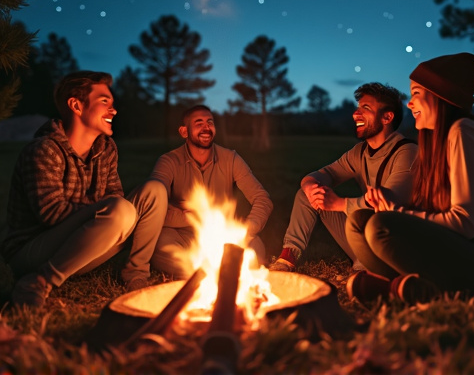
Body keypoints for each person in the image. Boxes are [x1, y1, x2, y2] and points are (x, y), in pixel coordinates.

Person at [344, 53, 474, 304]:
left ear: (440, 97)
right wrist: (391, 205)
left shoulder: (463, 132)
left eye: (416, 94)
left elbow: (466, 223)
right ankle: (409, 287)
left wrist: (399, 213)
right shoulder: (438, 141)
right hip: (459, 248)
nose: (410, 104)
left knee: (382, 228)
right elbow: (437, 214)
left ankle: (430, 290)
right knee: (358, 222)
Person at [1, 71, 167, 306]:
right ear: (76, 105)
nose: (114, 110)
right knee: (121, 210)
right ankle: (40, 281)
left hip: (85, 245)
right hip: (33, 251)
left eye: (112, 103)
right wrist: (105, 208)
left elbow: (114, 197)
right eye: (104, 102)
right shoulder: (44, 150)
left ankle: (135, 275)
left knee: (154, 191)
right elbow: (51, 214)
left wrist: (109, 209)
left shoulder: (106, 149)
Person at [270, 82, 418, 272]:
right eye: (357, 108)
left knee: (364, 215)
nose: (355, 114)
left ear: (387, 117)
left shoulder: (407, 152)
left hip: (395, 247)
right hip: (363, 237)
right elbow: (324, 174)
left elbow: (390, 201)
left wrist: (339, 204)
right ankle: (287, 259)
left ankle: (370, 269)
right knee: (308, 194)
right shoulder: (359, 152)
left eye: (366, 108)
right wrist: (308, 185)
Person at [129, 105, 273, 279]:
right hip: (180, 236)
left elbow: (262, 199)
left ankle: (209, 272)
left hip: (222, 234)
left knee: (255, 248)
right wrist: (189, 217)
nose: (206, 127)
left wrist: (247, 228)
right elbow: (153, 208)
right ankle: (221, 273)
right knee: (160, 245)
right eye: (199, 123)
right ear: (184, 131)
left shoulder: (231, 159)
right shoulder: (169, 161)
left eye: (210, 122)